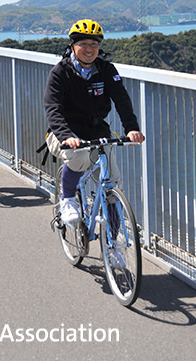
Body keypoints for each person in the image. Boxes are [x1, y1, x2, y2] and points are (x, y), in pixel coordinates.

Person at [43, 19, 145, 224]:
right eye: (83, 44)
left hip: (97, 132)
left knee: (112, 182)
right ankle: (68, 199)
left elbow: (122, 100)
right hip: (63, 132)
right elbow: (52, 108)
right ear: (73, 46)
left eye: (94, 44)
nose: (89, 49)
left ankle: (114, 239)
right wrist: (66, 136)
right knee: (79, 156)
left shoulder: (106, 69)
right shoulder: (60, 72)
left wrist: (132, 128)